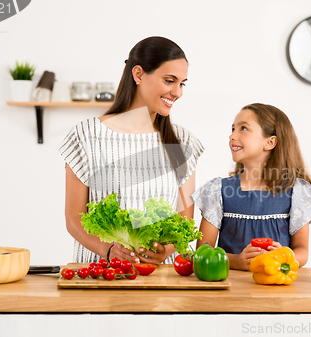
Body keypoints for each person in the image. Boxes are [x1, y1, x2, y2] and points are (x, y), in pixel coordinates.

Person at [59, 36, 204, 265]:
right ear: (138, 74)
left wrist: (164, 250)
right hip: (104, 274)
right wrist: (108, 250)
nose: (178, 92)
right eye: (169, 80)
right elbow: (74, 218)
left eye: (182, 83)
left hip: (160, 278)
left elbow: (183, 221)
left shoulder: (183, 142)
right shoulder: (87, 135)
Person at [192, 103, 311, 270]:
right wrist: (236, 261)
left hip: (277, 288)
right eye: (232, 129)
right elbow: (203, 252)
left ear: (270, 142)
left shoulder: (297, 192)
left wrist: (285, 255)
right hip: (231, 289)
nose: (232, 136)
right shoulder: (218, 191)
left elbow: (302, 250)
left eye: (243, 129)